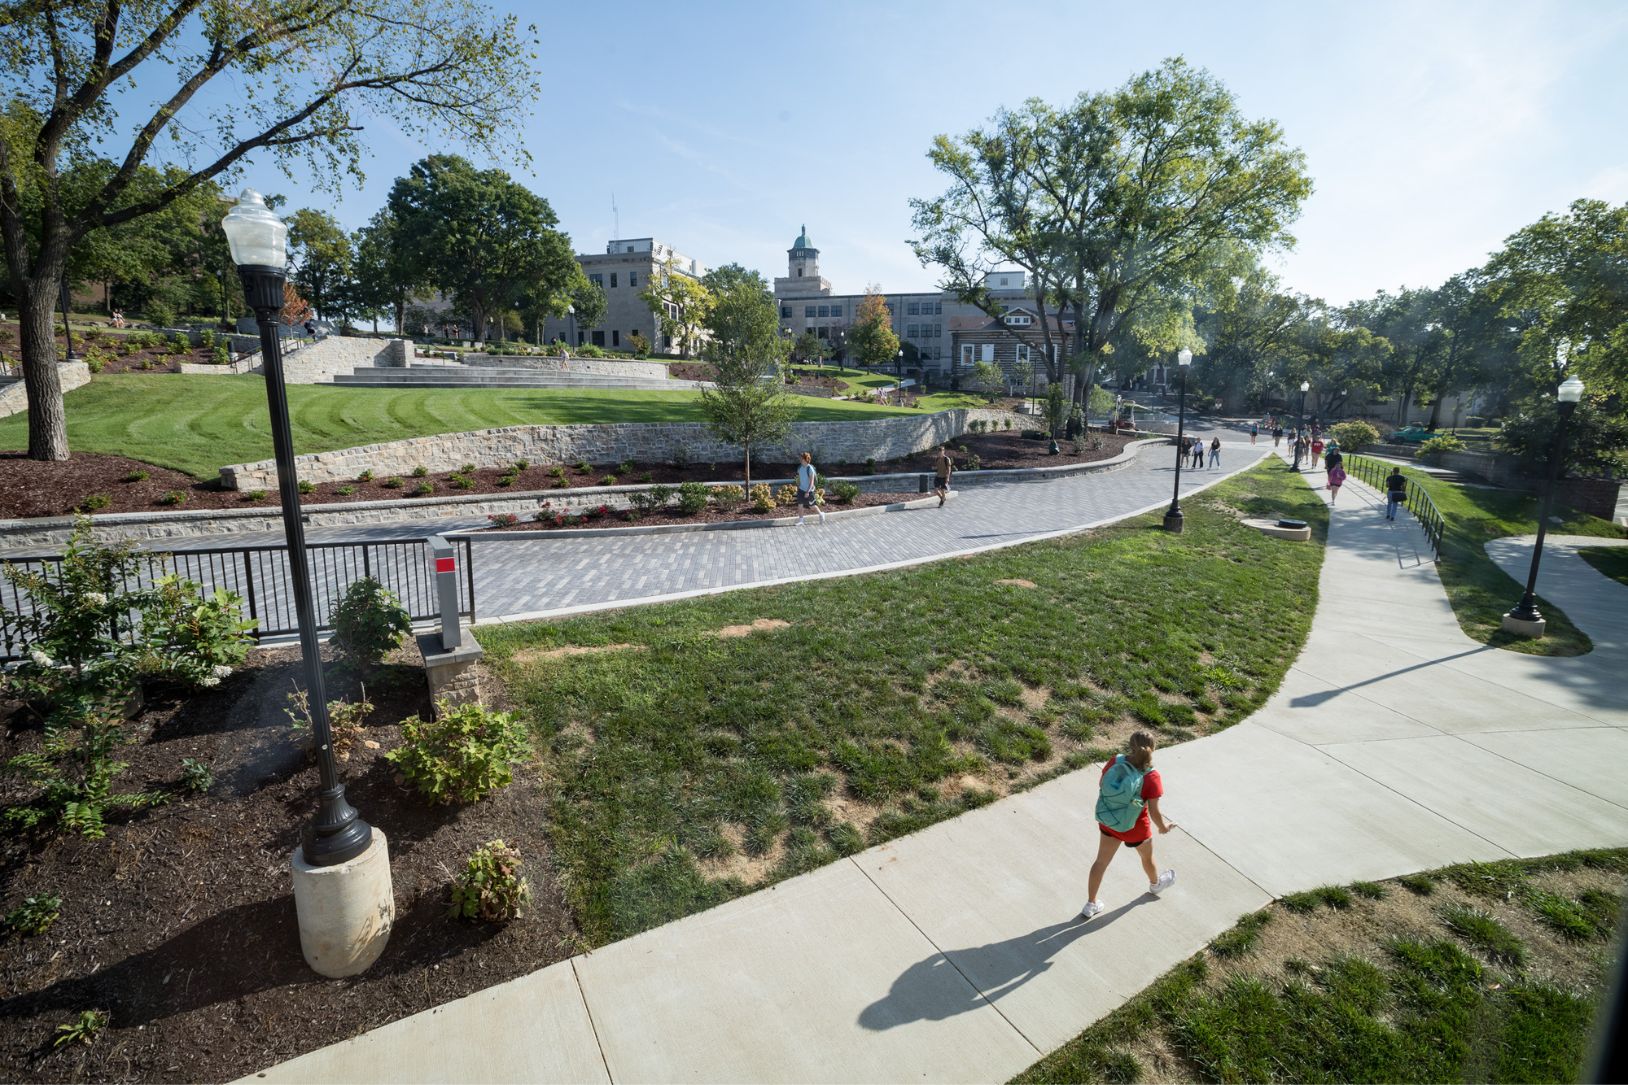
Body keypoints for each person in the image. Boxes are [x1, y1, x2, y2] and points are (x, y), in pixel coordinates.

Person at [1081, 731, 1176, 920]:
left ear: (1130, 745)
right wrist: (1163, 827)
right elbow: (1154, 812)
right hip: (1135, 828)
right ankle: (1155, 884)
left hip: (1109, 821)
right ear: (1153, 748)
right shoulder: (1152, 776)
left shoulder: (1116, 762)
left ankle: (1090, 904)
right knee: (1147, 859)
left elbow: (1103, 784)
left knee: (1100, 862)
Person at [795, 451, 826, 526]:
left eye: (801, 458)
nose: (800, 459)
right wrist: (798, 486)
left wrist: (808, 491)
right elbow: (799, 478)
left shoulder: (810, 468)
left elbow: (811, 482)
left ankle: (821, 514)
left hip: (809, 490)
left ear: (805, 459)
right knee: (800, 505)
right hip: (801, 489)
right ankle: (801, 521)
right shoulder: (800, 468)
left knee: (811, 506)